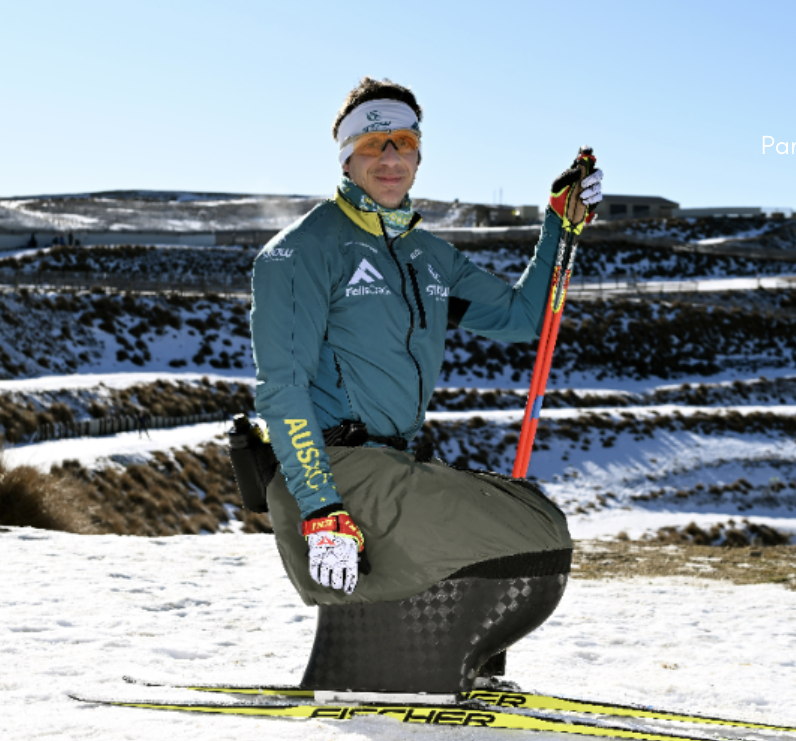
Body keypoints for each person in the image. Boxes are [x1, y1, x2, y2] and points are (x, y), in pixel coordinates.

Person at [251, 76, 602, 693]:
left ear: (418, 153)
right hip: (334, 470)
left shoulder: (428, 257)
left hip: (395, 466)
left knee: (540, 522)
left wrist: (559, 228)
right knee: (527, 534)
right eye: (372, 144)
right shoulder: (301, 252)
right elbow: (283, 390)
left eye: (403, 141)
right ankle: (399, 663)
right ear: (347, 157)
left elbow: (525, 320)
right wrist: (322, 511)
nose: (390, 157)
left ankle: (438, 660)